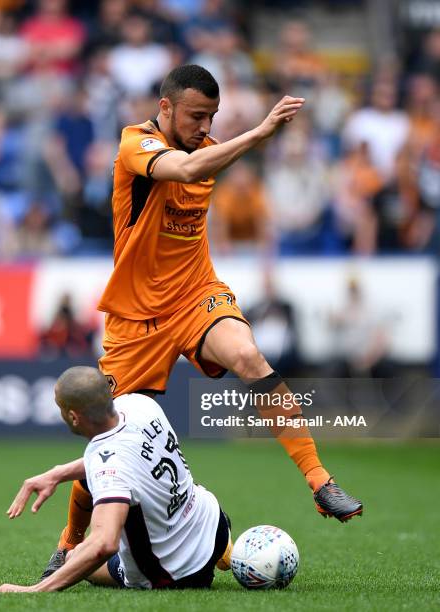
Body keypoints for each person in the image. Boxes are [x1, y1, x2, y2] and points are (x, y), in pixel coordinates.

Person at [46, 64, 362, 578]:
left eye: (211, 117)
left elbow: (203, 163)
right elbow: (187, 171)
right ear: (165, 107)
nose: (203, 126)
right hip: (136, 315)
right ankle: (68, 543)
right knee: (110, 438)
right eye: (196, 116)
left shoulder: (208, 146)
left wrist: (239, 137)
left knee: (248, 354)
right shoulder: (135, 144)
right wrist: (259, 133)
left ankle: (320, 480)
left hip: (196, 295)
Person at [0, 366, 231, 592]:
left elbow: (105, 544)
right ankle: (224, 549)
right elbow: (125, 455)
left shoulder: (109, 466)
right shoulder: (139, 404)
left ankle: (69, 553)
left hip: (180, 571)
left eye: (60, 408)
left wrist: (36, 590)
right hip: (213, 522)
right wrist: (57, 474)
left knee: (74, 557)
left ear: (74, 417)